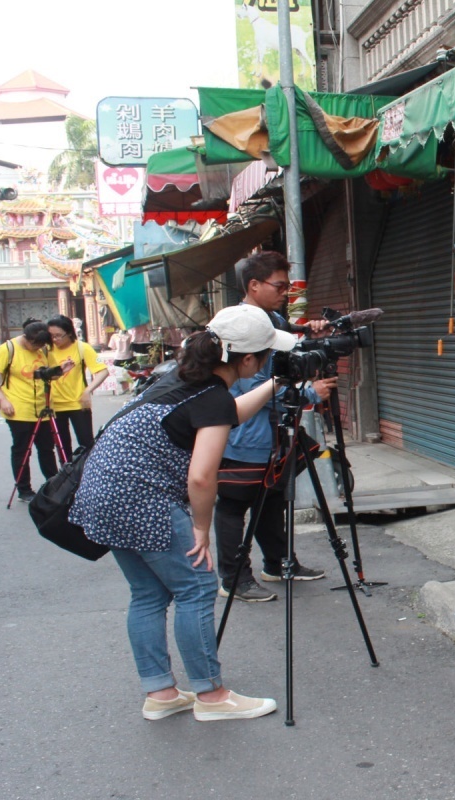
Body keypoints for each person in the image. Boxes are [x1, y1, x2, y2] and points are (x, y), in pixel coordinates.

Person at [69, 304, 298, 722]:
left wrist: (275, 385)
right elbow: (202, 477)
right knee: (196, 588)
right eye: (266, 355)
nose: (267, 361)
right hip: (142, 498)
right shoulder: (210, 395)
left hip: (99, 491)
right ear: (247, 360)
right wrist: (200, 528)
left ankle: (160, 693)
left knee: (149, 593)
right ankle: (211, 697)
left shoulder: (184, 380)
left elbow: (225, 415)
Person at [215, 251, 338, 602]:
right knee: (234, 505)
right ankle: (234, 578)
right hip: (244, 437)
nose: (286, 292)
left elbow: (289, 369)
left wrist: (310, 336)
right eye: (279, 286)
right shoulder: (234, 326)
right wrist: (308, 393)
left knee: (271, 499)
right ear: (254, 285)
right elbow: (245, 389)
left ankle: (279, 562)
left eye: (288, 286)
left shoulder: (273, 321)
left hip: (277, 436)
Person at [0, 319, 56, 503]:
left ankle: (54, 485)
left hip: (42, 407)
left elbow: (48, 374)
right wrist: (3, 400)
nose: (38, 348)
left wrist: (60, 371)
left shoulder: (43, 349)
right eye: (36, 345)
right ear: (28, 339)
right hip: (17, 408)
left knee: (47, 449)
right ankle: (24, 489)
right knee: (22, 450)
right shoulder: (8, 349)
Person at [45, 314, 111, 454]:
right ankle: (67, 474)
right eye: (51, 335)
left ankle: (87, 473)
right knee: (62, 447)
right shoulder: (46, 350)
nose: (54, 339)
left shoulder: (82, 348)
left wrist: (88, 391)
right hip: (54, 404)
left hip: (78, 403)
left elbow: (102, 372)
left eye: (58, 335)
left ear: (69, 333)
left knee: (86, 444)